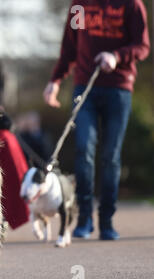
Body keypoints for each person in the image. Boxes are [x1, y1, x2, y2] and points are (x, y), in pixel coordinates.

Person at [43, 0, 150, 240]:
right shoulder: (79, 6)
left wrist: (117, 56)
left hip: (119, 89)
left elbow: (142, 46)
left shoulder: (131, 5)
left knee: (111, 156)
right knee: (84, 149)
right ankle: (84, 219)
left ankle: (107, 221)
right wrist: (55, 80)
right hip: (85, 87)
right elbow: (69, 48)